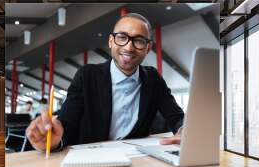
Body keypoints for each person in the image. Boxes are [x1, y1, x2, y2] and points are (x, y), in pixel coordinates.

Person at [27, 13, 184, 151]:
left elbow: (177, 117)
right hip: (91, 160)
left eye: (139, 41)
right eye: (122, 37)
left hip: (136, 161)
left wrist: (185, 130)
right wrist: (55, 140)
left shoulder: (153, 78)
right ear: (110, 41)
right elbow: (67, 123)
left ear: (148, 47)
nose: (129, 47)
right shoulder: (87, 75)